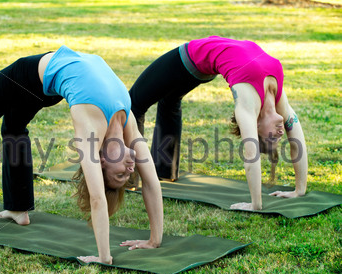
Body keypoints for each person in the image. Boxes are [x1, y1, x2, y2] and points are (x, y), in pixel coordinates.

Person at [0, 45, 164, 265]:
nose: (131, 170)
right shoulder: (128, 122)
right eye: (128, 175)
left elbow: (97, 198)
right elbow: (152, 183)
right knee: (14, 128)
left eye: (120, 175)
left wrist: (104, 257)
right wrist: (154, 240)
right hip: (47, 85)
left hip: (28, 75)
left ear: (102, 161)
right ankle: (18, 209)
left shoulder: (90, 129)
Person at [129, 36, 308, 211]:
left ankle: (127, 179)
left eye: (271, 138)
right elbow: (296, 139)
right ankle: (164, 171)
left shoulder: (246, 107)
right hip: (205, 61)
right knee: (169, 101)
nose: (280, 134)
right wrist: (299, 190)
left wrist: (256, 204)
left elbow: (250, 154)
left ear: (257, 126)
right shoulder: (278, 101)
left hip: (191, 57)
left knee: (134, 104)